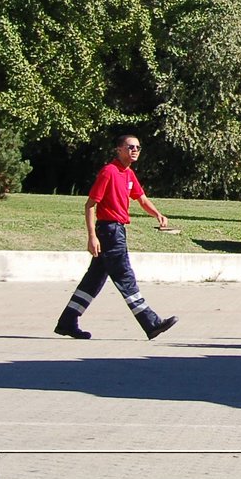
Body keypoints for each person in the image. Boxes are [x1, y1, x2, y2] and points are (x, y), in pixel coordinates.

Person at [54, 134, 179, 341]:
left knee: (92, 282)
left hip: (117, 230)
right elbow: (90, 205)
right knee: (125, 276)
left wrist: (157, 213)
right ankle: (151, 323)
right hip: (109, 231)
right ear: (119, 149)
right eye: (130, 147)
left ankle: (67, 321)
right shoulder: (109, 172)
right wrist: (92, 236)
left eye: (138, 147)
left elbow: (141, 198)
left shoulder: (128, 174)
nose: (135, 150)